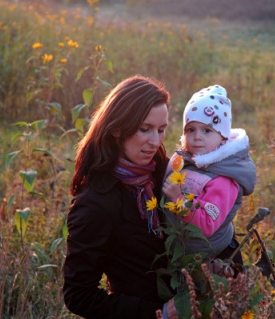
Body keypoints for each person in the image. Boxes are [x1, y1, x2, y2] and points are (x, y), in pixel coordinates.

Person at [63, 75, 173, 318]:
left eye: (161, 130)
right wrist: (160, 313)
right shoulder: (96, 202)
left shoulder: (163, 171)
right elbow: (78, 296)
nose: (155, 142)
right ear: (118, 128)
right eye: (144, 129)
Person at [162, 84, 257, 265]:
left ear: (223, 137)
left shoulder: (224, 180)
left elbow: (206, 224)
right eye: (191, 130)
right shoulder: (184, 161)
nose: (197, 136)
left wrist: (179, 200)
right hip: (181, 253)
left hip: (210, 258)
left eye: (207, 130)